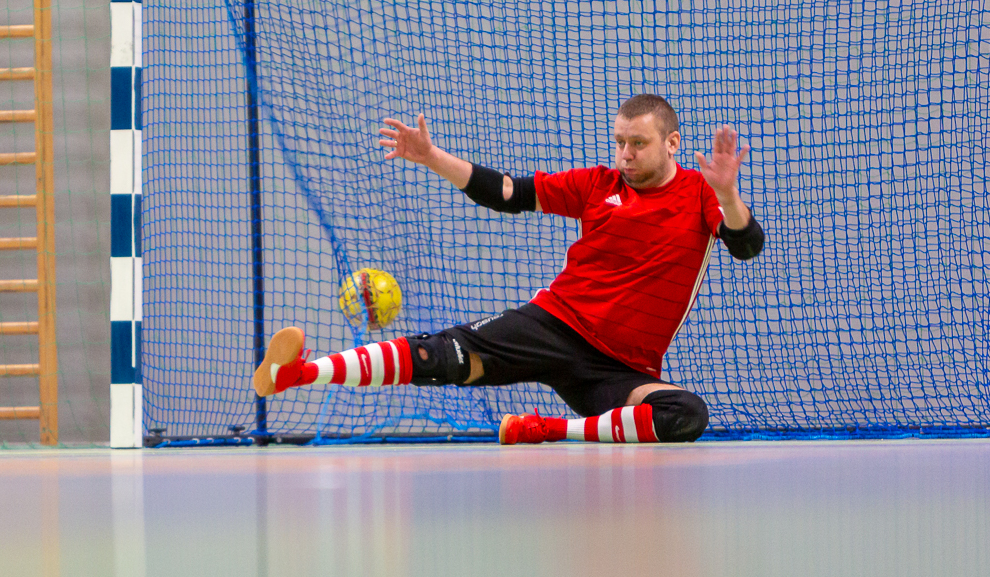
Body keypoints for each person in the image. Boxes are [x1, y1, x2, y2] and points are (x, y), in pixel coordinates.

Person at [251, 95, 764, 444]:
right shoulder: (597, 184)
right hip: (555, 325)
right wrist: (431, 156)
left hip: (620, 369)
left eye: (639, 144)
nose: (625, 155)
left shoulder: (702, 195)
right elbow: (508, 193)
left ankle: (547, 429)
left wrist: (727, 193)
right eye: (619, 142)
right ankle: (298, 374)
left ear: (672, 143)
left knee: (684, 415)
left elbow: (747, 245)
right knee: (440, 355)